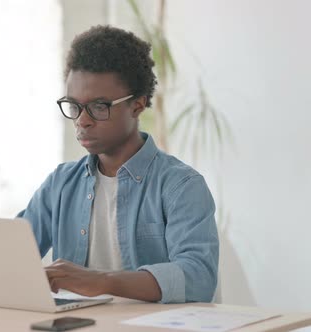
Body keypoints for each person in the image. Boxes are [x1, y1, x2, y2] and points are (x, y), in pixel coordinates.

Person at [17, 25, 218, 304]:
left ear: (137, 105)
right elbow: (11, 256)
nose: (82, 120)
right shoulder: (61, 183)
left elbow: (198, 278)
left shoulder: (180, 185)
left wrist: (101, 281)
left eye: (99, 106)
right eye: (73, 105)